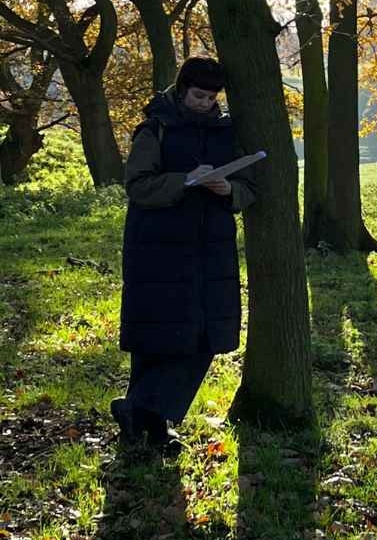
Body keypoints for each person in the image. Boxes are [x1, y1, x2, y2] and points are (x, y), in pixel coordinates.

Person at [112, 56, 257, 448]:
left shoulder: (227, 131)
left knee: (203, 338)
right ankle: (149, 432)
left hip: (210, 252)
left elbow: (247, 185)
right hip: (156, 248)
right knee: (154, 340)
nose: (205, 103)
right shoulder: (155, 128)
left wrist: (230, 191)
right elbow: (138, 186)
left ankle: (137, 412)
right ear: (181, 90)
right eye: (198, 95)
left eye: (211, 97)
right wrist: (186, 181)